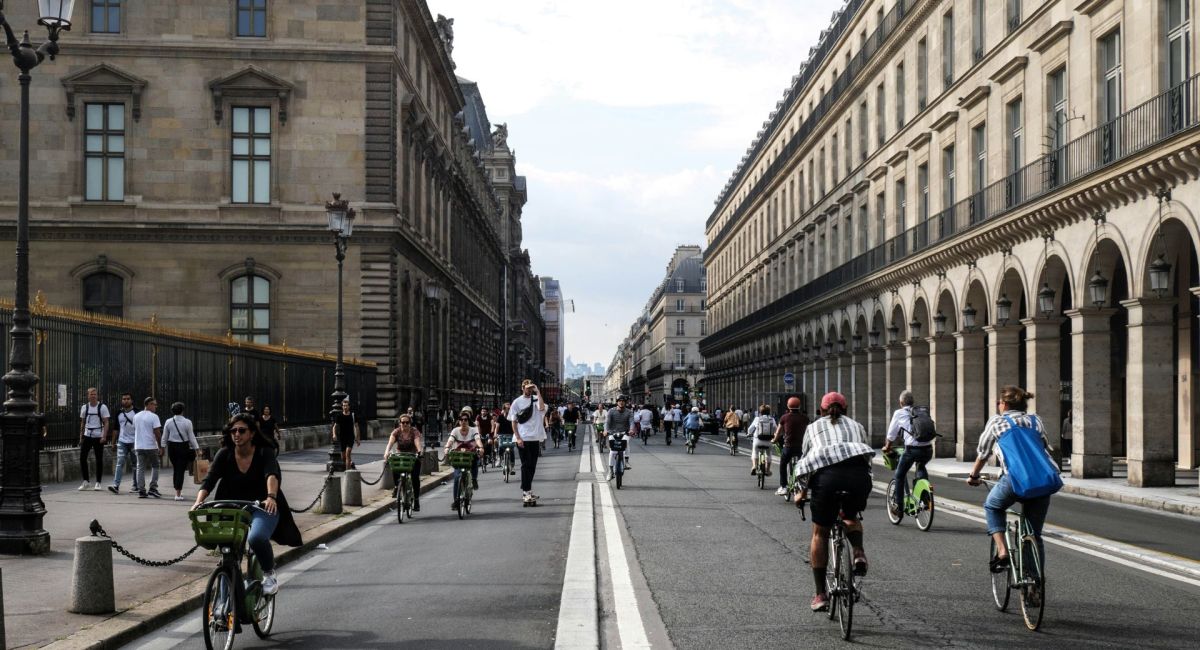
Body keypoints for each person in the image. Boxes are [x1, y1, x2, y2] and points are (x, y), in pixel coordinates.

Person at [194, 414, 302, 596]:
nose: (237, 434)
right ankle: (226, 604)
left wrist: (271, 497)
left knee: (257, 538)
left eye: (242, 430)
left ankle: (269, 574)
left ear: (252, 433)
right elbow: (210, 480)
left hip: (262, 506)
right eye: (233, 431)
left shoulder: (263, 452)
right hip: (231, 508)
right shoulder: (225, 454)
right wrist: (198, 502)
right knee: (227, 552)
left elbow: (272, 475)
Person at [967, 386, 1053, 597]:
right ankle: (1034, 584)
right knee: (1034, 534)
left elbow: (983, 452)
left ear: (1004, 405)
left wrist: (974, 476)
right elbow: (1042, 447)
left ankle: (1002, 550)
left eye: (999, 402)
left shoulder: (997, 422)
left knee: (992, 505)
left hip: (1014, 480)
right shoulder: (1036, 421)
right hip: (1042, 481)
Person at [793, 392, 873, 612]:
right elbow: (866, 456)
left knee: (820, 532)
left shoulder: (813, 427)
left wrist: (800, 493)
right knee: (850, 516)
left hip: (827, 479)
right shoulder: (857, 426)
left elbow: (807, 461)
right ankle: (858, 552)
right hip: (858, 477)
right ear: (846, 410)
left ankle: (820, 595)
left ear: (821, 411)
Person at [882, 390, 933, 515]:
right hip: (928, 449)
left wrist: (887, 447)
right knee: (920, 466)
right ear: (913, 402)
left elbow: (891, 433)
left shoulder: (899, 413)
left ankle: (899, 508)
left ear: (901, 403)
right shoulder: (921, 411)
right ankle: (925, 499)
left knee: (899, 475)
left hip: (912, 450)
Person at [509, 380, 548, 505]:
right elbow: (514, 422)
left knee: (532, 466)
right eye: (527, 388)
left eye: (531, 388)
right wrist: (518, 438)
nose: (530, 390)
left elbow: (542, 408)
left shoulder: (536, 399)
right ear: (522, 388)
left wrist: (538, 392)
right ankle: (526, 492)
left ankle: (528, 490)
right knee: (526, 465)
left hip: (535, 438)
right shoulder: (517, 402)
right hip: (523, 438)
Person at [161, 402, 201, 501]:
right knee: (181, 470)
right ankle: (178, 493)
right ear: (183, 410)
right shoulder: (187, 422)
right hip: (183, 447)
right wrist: (197, 449)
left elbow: (164, 436)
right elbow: (191, 437)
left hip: (172, 447)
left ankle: (177, 490)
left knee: (176, 468)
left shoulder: (168, 421)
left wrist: (162, 448)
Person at [383, 413, 423, 512]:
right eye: (403, 422)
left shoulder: (414, 431)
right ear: (399, 423)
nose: (405, 424)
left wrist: (419, 451)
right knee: (394, 465)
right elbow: (390, 443)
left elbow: (417, 442)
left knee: (415, 478)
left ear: (410, 423)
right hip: (401, 455)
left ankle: (416, 500)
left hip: (412, 456)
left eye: (407, 422)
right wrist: (386, 452)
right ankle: (397, 486)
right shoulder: (396, 432)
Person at [444, 409, 483, 510]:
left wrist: (481, 447)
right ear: (459, 421)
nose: (463, 421)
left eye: (466, 419)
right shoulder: (455, 430)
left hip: (470, 454)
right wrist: (447, 448)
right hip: (459, 456)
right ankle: (456, 501)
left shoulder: (473, 430)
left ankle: (474, 479)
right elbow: (450, 440)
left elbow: (478, 440)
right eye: (461, 420)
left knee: (475, 460)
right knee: (457, 478)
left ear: (468, 421)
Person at [774, 396, 810, 495]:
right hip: (801, 447)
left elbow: (778, 432)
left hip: (788, 447)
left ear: (788, 406)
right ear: (799, 406)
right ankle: (803, 485)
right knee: (803, 465)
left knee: (783, 464)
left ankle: (783, 486)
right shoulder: (805, 418)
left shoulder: (784, 417)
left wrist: (774, 440)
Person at [78, 387, 110, 491]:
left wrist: (104, 436)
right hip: (87, 435)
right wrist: (81, 436)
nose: (93, 396)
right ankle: (86, 481)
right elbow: (83, 422)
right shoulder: (84, 407)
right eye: (91, 394)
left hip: (98, 436)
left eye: (95, 394)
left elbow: (106, 422)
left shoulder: (102, 407)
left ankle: (98, 482)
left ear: (97, 395)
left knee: (99, 459)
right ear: (87, 395)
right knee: (82, 458)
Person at [133, 397, 163, 499]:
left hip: (138, 446)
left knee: (140, 468)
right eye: (154, 404)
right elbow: (157, 433)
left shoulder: (136, 416)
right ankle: (153, 488)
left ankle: (141, 490)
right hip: (150, 446)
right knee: (155, 466)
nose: (156, 406)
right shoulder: (154, 417)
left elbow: (136, 429)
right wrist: (160, 446)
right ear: (149, 404)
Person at [109, 392, 138, 494]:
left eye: (128, 399)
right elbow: (116, 429)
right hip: (122, 441)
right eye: (124, 399)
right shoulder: (119, 413)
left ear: (132, 400)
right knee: (120, 462)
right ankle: (116, 485)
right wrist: (113, 443)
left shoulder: (137, 412)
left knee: (135, 464)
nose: (126, 400)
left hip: (135, 441)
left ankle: (136, 485)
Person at [747, 405, 777, 477]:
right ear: (769, 412)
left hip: (758, 441)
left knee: (755, 452)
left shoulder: (757, 419)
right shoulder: (772, 419)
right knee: (769, 454)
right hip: (768, 441)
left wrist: (749, 434)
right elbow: (776, 429)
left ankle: (754, 466)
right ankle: (767, 469)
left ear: (760, 412)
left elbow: (750, 429)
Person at [331, 398, 360, 471]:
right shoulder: (339, 416)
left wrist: (357, 438)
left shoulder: (353, 415)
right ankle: (351, 463)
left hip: (350, 437)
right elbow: (335, 426)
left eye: (346, 406)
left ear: (349, 406)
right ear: (342, 407)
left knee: (348, 453)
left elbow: (356, 427)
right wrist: (334, 434)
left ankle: (347, 473)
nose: (345, 407)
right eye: (344, 406)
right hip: (342, 437)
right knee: (343, 457)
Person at [605, 396, 634, 469]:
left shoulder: (629, 412)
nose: (621, 402)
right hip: (612, 432)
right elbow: (607, 422)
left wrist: (631, 430)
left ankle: (626, 461)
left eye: (623, 401)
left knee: (626, 443)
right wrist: (606, 430)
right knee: (612, 451)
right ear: (617, 402)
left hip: (625, 432)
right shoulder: (611, 411)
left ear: (625, 402)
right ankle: (611, 470)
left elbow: (631, 422)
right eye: (619, 401)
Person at [496, 402, 516, 471]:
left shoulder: (513, 416)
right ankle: (499, 458)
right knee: (501, 446)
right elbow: (497, 426)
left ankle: (512, 465)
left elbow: (515, 425)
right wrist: (495, 434)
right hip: (502, 434)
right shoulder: (500, 416)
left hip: (511, 434)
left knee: (512, 450)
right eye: (506, 408)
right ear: (503, 409)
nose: (508, 410)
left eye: (509, 409)